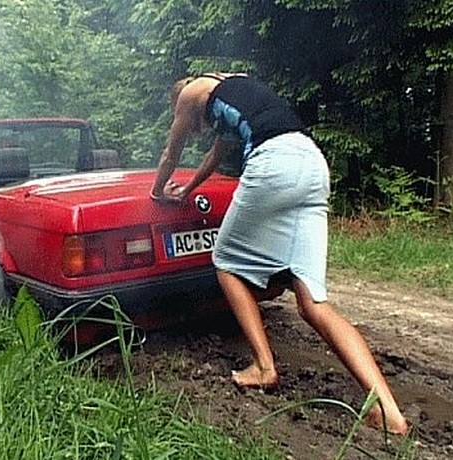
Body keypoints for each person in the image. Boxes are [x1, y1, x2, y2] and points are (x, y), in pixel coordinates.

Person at [149, 72, 409, 435]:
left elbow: (170, 153)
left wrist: (159, 192)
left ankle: (264, 366)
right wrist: (188, 188)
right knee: (313, 302)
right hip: (312, 163)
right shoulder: (235, 88)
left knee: (225, 262)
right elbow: (215, 155)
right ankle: (388, 411)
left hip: (273, 163)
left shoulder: (190, 92)